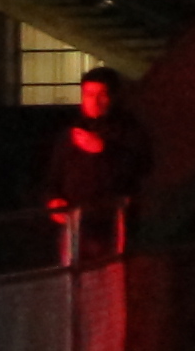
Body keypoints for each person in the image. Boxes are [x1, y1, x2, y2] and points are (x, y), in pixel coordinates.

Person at [45, 66, 152, 250]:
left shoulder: (129, 131)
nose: (94, 101)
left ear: (113, 97)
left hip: (112, 225)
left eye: (101, 95)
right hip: (74, 225)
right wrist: (54, 200)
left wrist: (103, 151)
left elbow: (140, 170)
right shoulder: (71, 134)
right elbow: (53, 177)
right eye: (88, 94)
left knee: (111, 267)